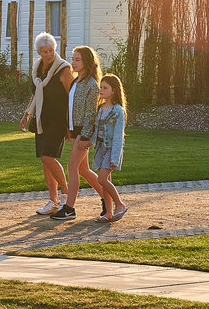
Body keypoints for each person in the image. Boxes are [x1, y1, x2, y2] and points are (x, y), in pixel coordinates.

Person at [19, 33, 72, 215]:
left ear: (54, 49)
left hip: (58, 119)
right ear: (38, 52)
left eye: (51, 50)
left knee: (49, 156)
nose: (48, 54)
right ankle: (53, 201)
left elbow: (70, 97)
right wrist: (27, 114)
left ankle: (66, 197)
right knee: (44, 160)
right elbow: (36, 95)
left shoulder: (64, 69)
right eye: (44, 51)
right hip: (41, 119)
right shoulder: (38, 68)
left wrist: (70, 125)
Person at [51, 46, 105, 221]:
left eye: (77, 60)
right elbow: (71, 108)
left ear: (87, 62)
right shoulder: (75, 82)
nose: (73, 63)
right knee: (84, 169)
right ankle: (108, 198)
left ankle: (69, 209)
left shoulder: (91, 85)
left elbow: (91, 114)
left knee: (72, 167)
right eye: (73, 59)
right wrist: (69, 130)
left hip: (83, 134)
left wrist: (84, 136)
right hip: (74, 131)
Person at [93, 73, 128, 223]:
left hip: (111, 150)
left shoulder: (118, 111)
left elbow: (118, 136)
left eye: (105, 88)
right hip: (100, 148)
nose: (101, 90)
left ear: (114, 90)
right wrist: (88, 141)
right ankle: (108, 213)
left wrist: (114, 157)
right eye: (101, 87)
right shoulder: (101, 108)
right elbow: (96, 131)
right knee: (105, 181)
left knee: (101, 179)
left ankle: (120, 204)